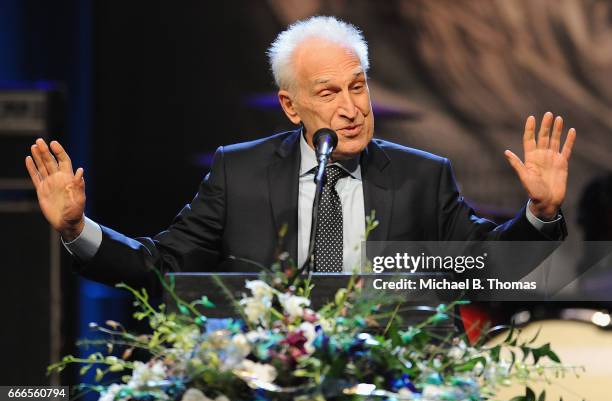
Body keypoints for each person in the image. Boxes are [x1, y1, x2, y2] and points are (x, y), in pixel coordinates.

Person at [24, 16, 575, 295]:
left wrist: (540, 215)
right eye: (329, 94)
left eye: (358, 88)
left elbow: (485, 269)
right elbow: (163, 268)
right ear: (291, 106)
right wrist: (78, 228)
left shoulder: (421, 177)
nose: (351, 109)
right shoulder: (237, 172)